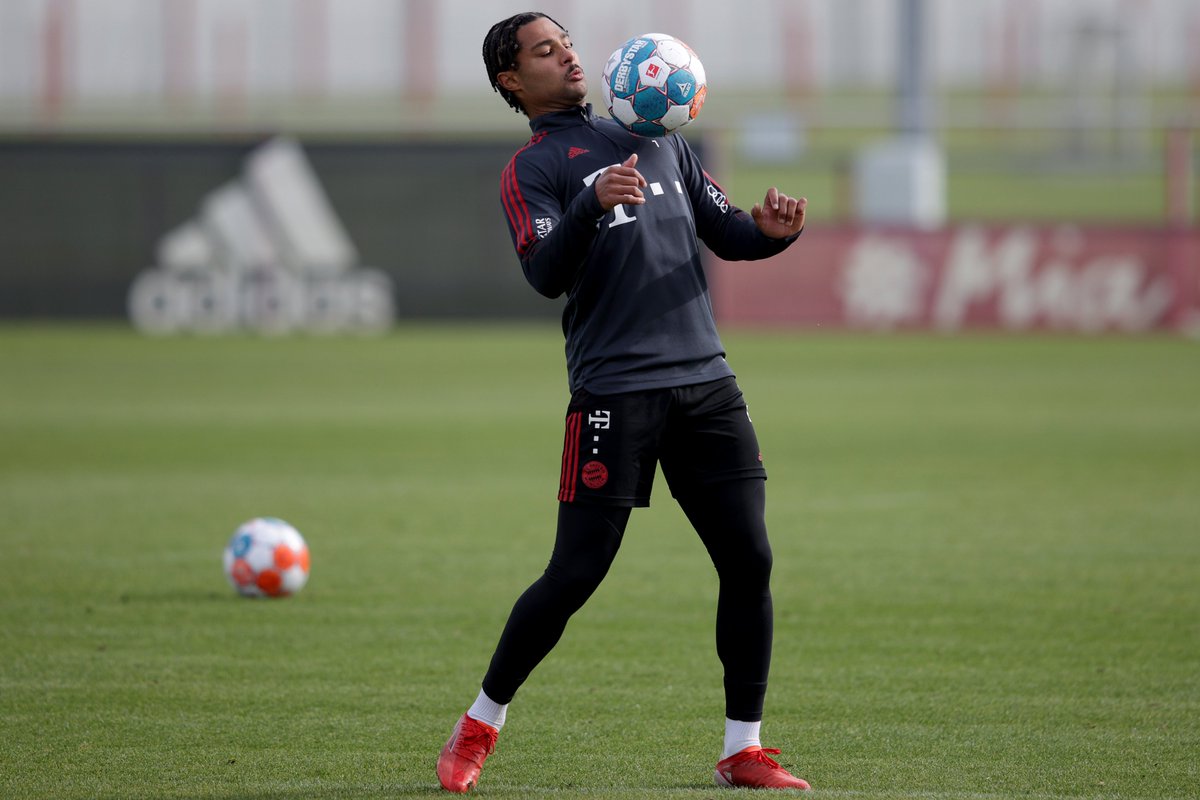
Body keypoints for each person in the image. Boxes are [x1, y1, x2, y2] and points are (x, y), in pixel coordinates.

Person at [437, 11, 810, 793]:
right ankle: (479, 724)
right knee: (575, 572)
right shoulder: (534, 167)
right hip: (614, 391)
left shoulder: (657, 134)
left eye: (567, 43)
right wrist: (591, 203)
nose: (568, 56)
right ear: (512, 80)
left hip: (707, 384)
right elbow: (545, 273)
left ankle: (742, 749)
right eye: (545, 51)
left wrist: (773, 233)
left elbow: (728, 233)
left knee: (750, 560)